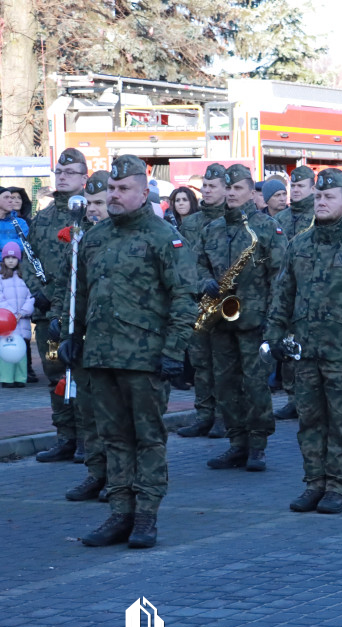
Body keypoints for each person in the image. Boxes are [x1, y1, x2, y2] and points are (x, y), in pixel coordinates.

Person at [62, 154, 198, 548]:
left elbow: (184, 297)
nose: (115, 196)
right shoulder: (97, 238)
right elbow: (83, 293)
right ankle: (119, 513)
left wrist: (174, 351)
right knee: (112, 438)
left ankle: (146, 517)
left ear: (144, 192)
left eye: (123, 189)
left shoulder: (163, 237)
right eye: (112, 189)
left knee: (148, 439)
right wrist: (75, 334)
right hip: (102, 356)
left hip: (145, 358)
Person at [265, 168, 342, 513]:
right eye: (318, 196)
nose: (321, 201)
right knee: (310, 422)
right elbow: (282, 296)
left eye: (329, 196)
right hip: (306, 352)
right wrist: (274, 337)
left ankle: (337, 486)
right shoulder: (299, 245)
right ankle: (313, 483)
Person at [198, 164, 286, 472]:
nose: (232, 193)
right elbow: (197, 266)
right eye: (229, 188)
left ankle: (257, 446)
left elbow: (280, 277)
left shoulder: (266, 227)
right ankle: (236, 442)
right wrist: (203, 282)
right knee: (224, 384)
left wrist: (273, 320)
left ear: (252, 192)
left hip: (254, 320)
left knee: (255, 385)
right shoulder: (211, 229)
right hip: (220, 320)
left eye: (238, 189)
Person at [26, 149, 88, 462]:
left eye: (70, 173)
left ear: (84, 178)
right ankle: (65, 437)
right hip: (48, 314)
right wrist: (40, 291)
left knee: (82, 374)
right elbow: (28, 258)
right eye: (59, 173)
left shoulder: (90, 214)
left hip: (78, 316)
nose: (62, 177)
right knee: (55, 374)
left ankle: (87, 440)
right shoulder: (43, 217)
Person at [59, 171, 112, 501]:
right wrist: (64, 324)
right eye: (90, 203)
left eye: (100, 203)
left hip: (118, 342)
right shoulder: (83, 238)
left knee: (113, 416)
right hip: (86, 337)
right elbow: (71, 287)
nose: (94, 209)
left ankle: (118, 478)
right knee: (88, 412)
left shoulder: (121, 238)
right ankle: (95, 473)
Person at [176, 164, 228, 439]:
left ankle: (222, 417)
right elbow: (184, 263)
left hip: (227, 303)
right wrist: (197, 285)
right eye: (204, 186)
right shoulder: (192, 223)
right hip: (198, 302)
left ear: (225, 189)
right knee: (200, 363)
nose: (206, 190)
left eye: (212, 186)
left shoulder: (234, 219)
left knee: (222, 364)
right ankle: (204, 415)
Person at [270, 166, 320, 421]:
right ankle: (292, 397)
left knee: (310, 347)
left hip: (313, 291)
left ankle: (310, 397)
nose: (295, 190)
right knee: (288, 344)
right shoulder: (281, 218)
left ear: (313, 188)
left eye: (301, 186)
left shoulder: (318, 214)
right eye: (293, 186)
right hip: (286, 289)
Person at [0, 184, 28, 384]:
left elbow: (23, 248)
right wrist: (8, 254)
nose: (12, 200)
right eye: (7, 197)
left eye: (13, 197)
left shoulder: (20, 223)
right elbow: (13, 252)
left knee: (16, 324)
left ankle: (21, 367)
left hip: (14, 283)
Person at [0, 242, 33, 387]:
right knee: (6, 351)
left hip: (21, 321)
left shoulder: (24, 276)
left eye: (13, 258)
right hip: (5, 322)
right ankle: (7, 379)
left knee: (21, 351)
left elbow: (31, 296)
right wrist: (11, 313)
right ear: (3, 259)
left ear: (18, 259)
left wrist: (23, 312)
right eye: (7, 257)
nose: (10, 260)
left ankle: (20, 378)